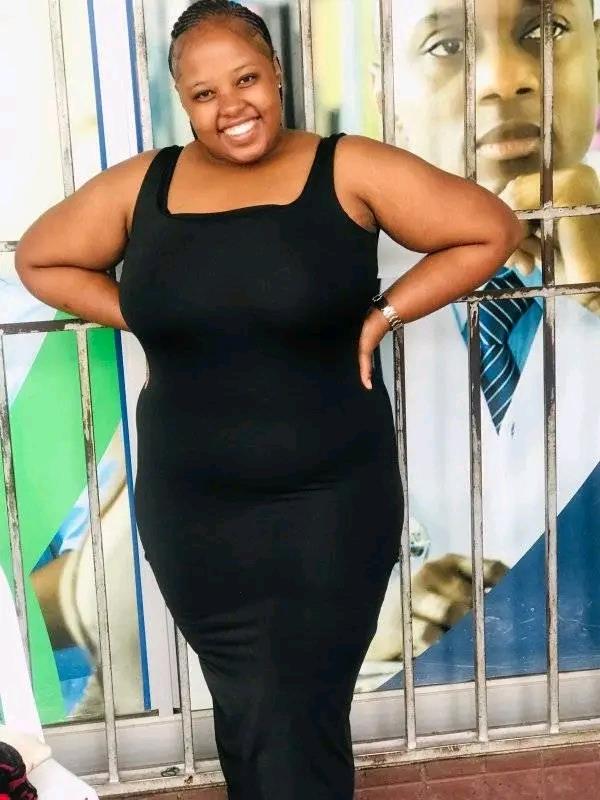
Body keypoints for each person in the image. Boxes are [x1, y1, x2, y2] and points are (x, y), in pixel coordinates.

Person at [14, 0, 522, 797]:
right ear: (184, 102)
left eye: (245, 79)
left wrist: (385, 314)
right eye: (204, 93)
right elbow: (41, 259)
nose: (231, 106)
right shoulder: (144, 186)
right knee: (252, 706)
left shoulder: (346, 169)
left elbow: (490, 228)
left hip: (330, 503)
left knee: (298, 703)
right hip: (195, 512)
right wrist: (143, 314)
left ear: (276, 74)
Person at [366, 0, 600, 686]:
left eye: (545, 30)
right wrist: (374, 625)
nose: (503, 79)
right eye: (444, 46)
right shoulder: (329, 289)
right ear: (388, 96)